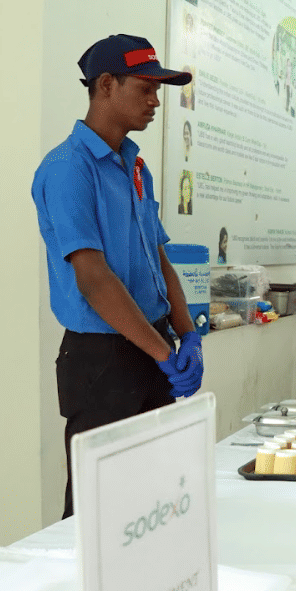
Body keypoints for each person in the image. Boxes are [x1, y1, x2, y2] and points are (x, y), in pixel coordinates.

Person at [31, 34, 204, 519]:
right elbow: (94, 280)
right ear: (106, 85)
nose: (155, 102)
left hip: (152, 346)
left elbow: (159, 259)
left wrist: (186, 335)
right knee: (99, 512)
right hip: (102, 362)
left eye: (158, 91)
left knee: (153, 504)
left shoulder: (134, 166)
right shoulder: (68, 169)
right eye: (146, 89)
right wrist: (164, 353)